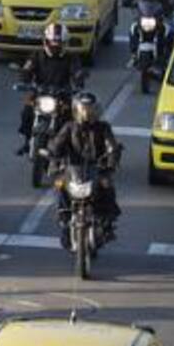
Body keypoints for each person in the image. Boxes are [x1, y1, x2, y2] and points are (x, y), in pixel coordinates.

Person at [47, 92, 122, 249]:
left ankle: (107, 223)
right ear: (77, 110)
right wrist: (53, 155)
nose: (87, 113)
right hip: (73, 170)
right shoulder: (69, 127)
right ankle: (64, 220)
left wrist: (112, 160)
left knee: (107, 185)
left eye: (91, 109)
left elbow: (112, 146)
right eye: (84, 109)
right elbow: (56, 145)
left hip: (96, 169)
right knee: (59, 185)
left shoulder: (103, 128)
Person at [15, 23, 87, 156]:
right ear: (46, 41)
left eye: (58, 43)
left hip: (62, 94)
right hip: (40, 93)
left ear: (64, 43)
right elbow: (27, 68)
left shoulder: (71, 58)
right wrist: (24, 75)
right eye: (52, 42)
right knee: (27, 112)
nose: (55, 46)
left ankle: (70, 148)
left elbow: (77, 71)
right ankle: (27, 142)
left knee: (71, 119)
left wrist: (79, 78)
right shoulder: (37, 55)